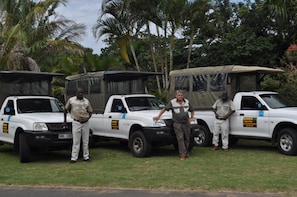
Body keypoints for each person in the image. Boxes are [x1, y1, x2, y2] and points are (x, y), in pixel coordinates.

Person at [153, 90, 194, 160]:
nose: (180, 96)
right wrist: (159, 116)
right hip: (177, 123)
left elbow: (192, 110)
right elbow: (165, 109)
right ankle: (182, 154)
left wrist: (191, 118)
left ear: (183, 96)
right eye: (178, 95)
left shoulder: (187, 102)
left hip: (186, 123)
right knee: (180, 138)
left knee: (187, 139)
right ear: (176, 96)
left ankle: (186, 152)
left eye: (181, 95)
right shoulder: (172, 102)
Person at [63, 87, 93, 163]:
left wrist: (87, 118)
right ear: (76, 93)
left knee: (85, 141)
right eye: (79, 93)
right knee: (76, 141)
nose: (80, 94)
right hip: (76, 122)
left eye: (82, 93)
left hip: (85, 122)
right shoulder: (71, 100)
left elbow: (90, 112)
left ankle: (86, 157)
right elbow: (66, 110)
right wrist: (65, 121)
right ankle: (74, 158)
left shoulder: (86, 101)